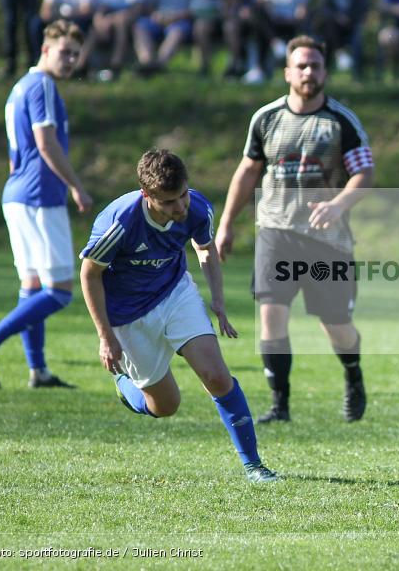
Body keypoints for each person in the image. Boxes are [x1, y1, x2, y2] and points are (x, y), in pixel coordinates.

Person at [79, 148, 278, 483]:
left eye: (183, 195)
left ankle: (254, 465)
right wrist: (106, 337)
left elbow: (204, 249)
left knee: (216, 376)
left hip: (174, 294)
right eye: (170, 202)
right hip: (126, 314)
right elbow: (89, 275)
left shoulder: (196, 207)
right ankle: (125, 385)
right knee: (165, 406)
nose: (181, 207)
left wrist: (218, 301)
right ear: (148, 195)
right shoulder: (119, 223)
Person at [216, 35, 375, 423]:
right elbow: (248, 172)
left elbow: (365, 173)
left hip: (327, 240)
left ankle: (353, 374)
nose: (308, 72)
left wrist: (338, 205)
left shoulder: (341, 122)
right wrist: (226, 224)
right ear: (287, 72)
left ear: (325, 72)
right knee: (271, 315)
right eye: (301, 65)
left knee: (335, 325)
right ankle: (279, 404)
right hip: (276, 231)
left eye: (315, 65)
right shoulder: (266, 118)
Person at [0, 20, 92, 389]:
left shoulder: (19, 87)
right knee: (59, 291)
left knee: (33, 285)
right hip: (40, 195)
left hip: (17, 194)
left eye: (75, 54)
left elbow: (16, 154)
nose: (70, 60)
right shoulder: (42, 85)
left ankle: (37, 370)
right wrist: (76, 186)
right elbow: (45, 143)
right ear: (45, 49)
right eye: (64, 52)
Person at [133, 0, 214, 75]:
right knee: (140, 26)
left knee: (176, 32)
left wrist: (176, 16)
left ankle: (160, 63)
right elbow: (149, 3)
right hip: (158, 19)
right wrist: (154, 14)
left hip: (181, 21)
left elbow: (199, 8)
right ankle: (146, 62)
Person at [242, 0, 311, 84]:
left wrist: (291, 18)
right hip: (272, 23)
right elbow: (266, 7)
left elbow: (301, 13)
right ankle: (274, 44)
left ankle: (274, 44)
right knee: (257, 16)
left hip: (291, 24)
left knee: (265, 29)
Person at [85, 0, 149, 80]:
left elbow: (138, 9)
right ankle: (81, 64)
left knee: (121, 22)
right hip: (109, 21)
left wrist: (115, 18)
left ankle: (116, 63)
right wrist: (101, 22)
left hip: (130, 21)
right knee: (95, 30)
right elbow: (100, 12)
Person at [39, 0, 98, 75]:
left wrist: (69, 13)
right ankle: (42, 61)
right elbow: (46, 10)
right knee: (36, 25)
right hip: (58, 19)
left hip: (79, 20)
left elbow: (87, 9)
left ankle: (78, 66)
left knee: (87, 27)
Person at [317, 0, 369, 80]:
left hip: (352, 24)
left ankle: (356, 73)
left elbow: (362, 6)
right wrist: (337, 16)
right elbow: (324, 6)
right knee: (328, 29)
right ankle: (339, 53)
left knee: (354, 38)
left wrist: (349, 17)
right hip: (333, 24)